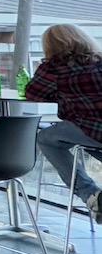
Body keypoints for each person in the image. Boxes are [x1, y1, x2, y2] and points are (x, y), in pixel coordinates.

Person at [24, 23, 102, 221]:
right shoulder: (100, 61)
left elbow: (33, 94)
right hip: (93, 132)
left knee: (45, 137)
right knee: (81, 142)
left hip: (89, 127)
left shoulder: (54, 68)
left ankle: (90, 194)